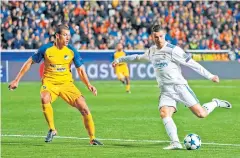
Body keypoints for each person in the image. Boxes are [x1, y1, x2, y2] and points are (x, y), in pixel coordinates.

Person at [112, 25, 232, 150]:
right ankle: (175, 142)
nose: (158, 39)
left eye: (161, 36)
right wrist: (120, 59)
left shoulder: (173, 50)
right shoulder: (152, 51)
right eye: (156, 37)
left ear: (164, 35)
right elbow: (137, 57)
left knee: (201, 114)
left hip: (179, 87)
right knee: (164, 113)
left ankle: (215, 102)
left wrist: (210, 76)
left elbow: (191, 63)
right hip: (165, 90)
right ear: (152, 37)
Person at [8, 24, 103, 145]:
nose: (68, 38)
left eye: (69, 35)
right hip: (50, 83)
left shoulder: (72, 51)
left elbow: (80, 70)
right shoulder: (46, 49)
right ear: (57, 36)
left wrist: (89, 85)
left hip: (67, 85)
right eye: (65, 35)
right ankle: (52, 129)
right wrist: (16, 80)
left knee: (84, 107)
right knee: (44, 97)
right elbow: (29, 62)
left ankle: (92, 138)